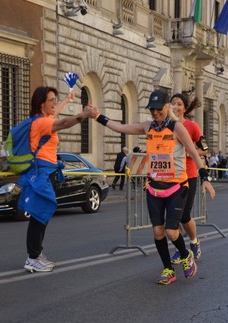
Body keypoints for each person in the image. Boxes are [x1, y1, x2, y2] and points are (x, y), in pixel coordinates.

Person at [91, 89, 215, 285]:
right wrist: (98, 116)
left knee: (171, 232)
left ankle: (185, 255)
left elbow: (194, 152)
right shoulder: (148, 127)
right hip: (154, 188)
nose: (155, 113)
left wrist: (205, 178)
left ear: (166, 107)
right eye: (152, 110)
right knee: (157, 232)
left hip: (177, 186)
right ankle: (168, 269)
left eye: (158, 109)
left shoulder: (177, 128)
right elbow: (120, 128)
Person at [21, 86, 92, 273]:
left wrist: (67, 100)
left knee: (42, 214)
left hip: (47, 171)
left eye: (55, 99)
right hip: (42, 172)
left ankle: (36, 254)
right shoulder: (41, 123)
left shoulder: (44, 119)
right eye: (51, 100)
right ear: (41, 104)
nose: (54, 103)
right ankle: (33, 257)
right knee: (39, 214)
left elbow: (55, 113)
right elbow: (63, 123)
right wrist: (82, 114)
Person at [169, 92, 209, 265]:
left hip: (189, 175)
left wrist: (189, 153)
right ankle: (180, 249)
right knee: (172, 218)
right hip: (170, 176)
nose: (176, 107)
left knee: (184, 216)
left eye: (179, 104)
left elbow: (205, 149)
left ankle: (194, 242)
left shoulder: (191, 126)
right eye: (173, 104)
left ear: (184, 108)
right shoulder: (166, 125)